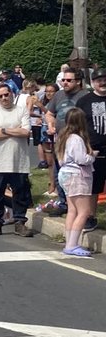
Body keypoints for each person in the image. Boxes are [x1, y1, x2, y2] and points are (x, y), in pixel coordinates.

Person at [0, 83, 35, 237]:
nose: (4, 98)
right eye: (1, 96)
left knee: (20, 193)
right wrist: (14, 130)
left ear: (12, 94)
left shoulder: (22, 110)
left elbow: (26, 132)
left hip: (19, 161)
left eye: (7, 94)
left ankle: (19, 222)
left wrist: (2, 130)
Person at [44, 68, 89, 217]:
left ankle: (78, 206)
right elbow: (50, 114)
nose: (65, 83)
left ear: (78, 81)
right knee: (60, 174)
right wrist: (50, 125)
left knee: (77, 175)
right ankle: (63, 203)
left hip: (77, 141)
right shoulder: (58, 95)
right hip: (59, 141)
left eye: (69, 80)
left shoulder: (85, 96)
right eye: (63, 80)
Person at [55, 108, 97, 257]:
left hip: (65, 174)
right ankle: (72, 244)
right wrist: (92, 156)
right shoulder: (76, 139)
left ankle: (69, 242)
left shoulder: (62, 137)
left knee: (72, 210)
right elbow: (81, 159)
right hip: (77, 175)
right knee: (84, 211)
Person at [76, 68, 106, 232]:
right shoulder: (84, 101)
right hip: (93, 150)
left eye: (105, 79)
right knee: (93, 186)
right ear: (93, 82)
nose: (102, 83)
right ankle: (90, 216)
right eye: (99, 80)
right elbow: (78, 125)